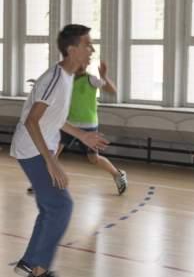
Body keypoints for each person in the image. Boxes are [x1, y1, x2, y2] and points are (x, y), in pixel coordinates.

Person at [11, 24, 109, 277]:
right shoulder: (55, 78)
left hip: (37, 147)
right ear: (72, 49)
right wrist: (52, 162)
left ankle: (30, 264)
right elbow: (32, 121)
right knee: (61, 206)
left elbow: (56, 118)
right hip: (32, 149)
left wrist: (83, 136)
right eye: (87, 45)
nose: (91, 50)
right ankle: (39, 271)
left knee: (51, 207)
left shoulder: (66, 77)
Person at [27, 62, 127, 195]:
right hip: (69, 124)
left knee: (93, 159)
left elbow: (112, 90)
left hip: (89, 126)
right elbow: (51, 90)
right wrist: (38, 85)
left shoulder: (91, 79)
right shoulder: (66, 81)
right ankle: (41, 183)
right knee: (53, 154)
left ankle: (117, 175)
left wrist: (104, 76)